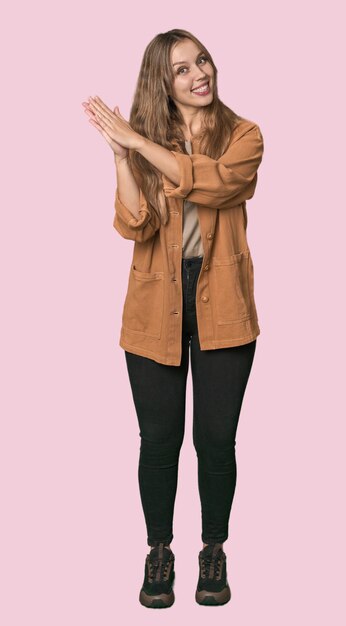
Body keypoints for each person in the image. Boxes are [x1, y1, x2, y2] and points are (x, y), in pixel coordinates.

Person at [82, 28, 264, 609]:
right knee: (159, 440)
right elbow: (135, 224)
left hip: (224, 302)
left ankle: (214, 549)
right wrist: (121, 155)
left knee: (216, 440)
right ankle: (159, 551)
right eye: (182, 68)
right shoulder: (144, 142)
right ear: (163, 82)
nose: (198, 74)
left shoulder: (244, 135)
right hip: (153, 305)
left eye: (202, 61)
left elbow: (213, 184)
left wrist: (135, 139)